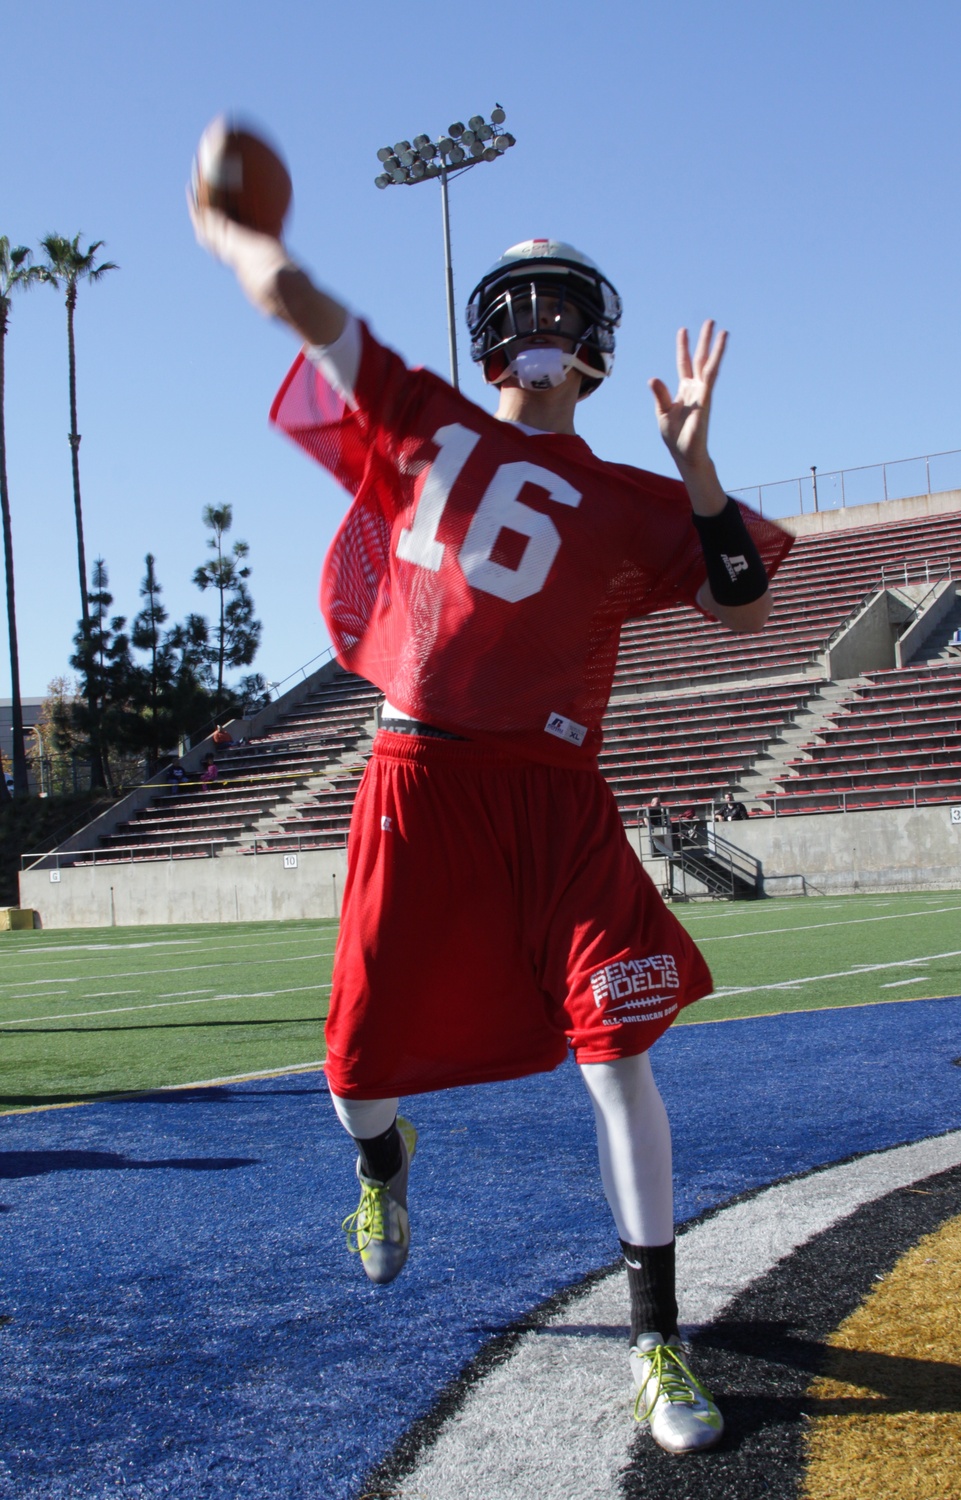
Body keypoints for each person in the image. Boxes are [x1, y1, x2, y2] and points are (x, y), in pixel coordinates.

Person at [190, 185, 792, 1456]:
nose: (541, 321)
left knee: (617, 1051)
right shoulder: (429, 421)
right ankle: (381, 1162)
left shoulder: (635, 495)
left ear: (596, 343)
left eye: (563, 305)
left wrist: (692, 465)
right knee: (355, 1071)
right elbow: (319, 320)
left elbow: (739, 602)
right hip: (419, 780)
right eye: (521, 303)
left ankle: (656, 1340)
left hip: (558, 792)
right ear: (482, 334)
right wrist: (250, 246)